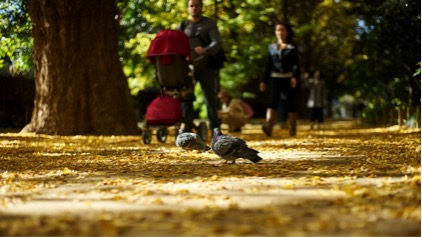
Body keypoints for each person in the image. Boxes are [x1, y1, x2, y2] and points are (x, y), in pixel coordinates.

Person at [177, 0, 222, 134]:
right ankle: (187, 128)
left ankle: (215, 129)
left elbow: (216, 43)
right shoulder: (183, 25)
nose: (194, 8)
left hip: (206, 66)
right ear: (188, 8)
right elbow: (176, 44)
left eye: (197, 5)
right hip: (187, 69)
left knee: (210, 98)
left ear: (201, 7)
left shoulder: (209, 24)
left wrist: (206, 50)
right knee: (186, 98)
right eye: (192, 6)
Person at [260, 22, 300, 137]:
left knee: (292, 104)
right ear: (275, 32)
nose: (280, 32)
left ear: (287, 32)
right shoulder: (271, 47)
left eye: (282, 30)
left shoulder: (292, 48)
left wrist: (294, 76)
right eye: (278, 30)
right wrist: (264, 81)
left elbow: (296, 65)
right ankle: (269, 127)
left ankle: (292, 130)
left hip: (288, 78)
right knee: (272, 102)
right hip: (275, 78)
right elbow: (268, 66)